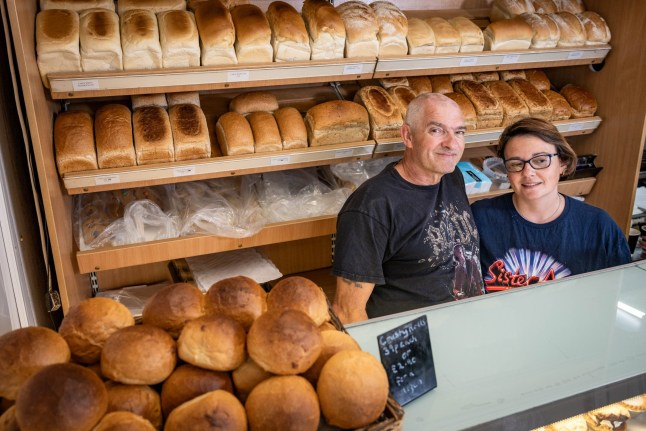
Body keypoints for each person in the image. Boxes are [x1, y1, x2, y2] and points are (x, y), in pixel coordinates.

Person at [331, 93, 484, 324]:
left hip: (467, 325)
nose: (452, 143)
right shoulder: (371, 206)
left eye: (459, 132)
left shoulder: (452, 176)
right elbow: (347, 311)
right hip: (413, 342)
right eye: (437, 130)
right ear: (408, 136)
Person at [471, 118, 631, 292]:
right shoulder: (480, 218)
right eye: (516, 164)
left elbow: (620, 292)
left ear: (562, 163)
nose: (528, 173)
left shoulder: (598, 226)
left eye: (540, 161)